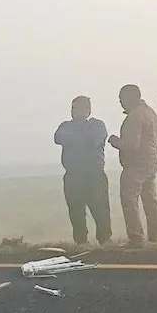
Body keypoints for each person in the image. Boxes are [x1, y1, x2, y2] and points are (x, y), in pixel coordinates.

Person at [53, 96, 112, 245]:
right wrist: (81, 137)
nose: (73, 111)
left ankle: (105, 240)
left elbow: (92, 141)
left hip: (94, 174)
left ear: (88, 110)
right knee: (75, 210)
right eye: (72, 108)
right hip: (73, 175)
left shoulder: (97, 125)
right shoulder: (65, 126)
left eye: (77, 108)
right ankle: (81, 242)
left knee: (100, 209)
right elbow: (58, 138)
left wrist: (74, 138)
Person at [108, 84, 157, 245]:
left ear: (130, 98)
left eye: (121, 99)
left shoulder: (135, 116)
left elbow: (131, 145)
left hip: (136, 164)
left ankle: (136, 237)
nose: (120, 102)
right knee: (150, 199)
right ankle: (155, 236)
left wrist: (115, 141)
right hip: (151, 160)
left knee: (129, 199)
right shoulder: (150, 112)